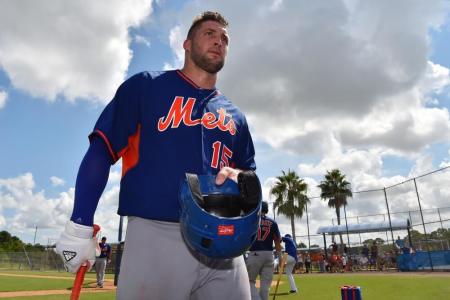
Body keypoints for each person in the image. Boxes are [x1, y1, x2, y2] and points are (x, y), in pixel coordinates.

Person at [56, 11, 260, 300]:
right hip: (158, 231)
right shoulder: (146, 86)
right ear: (187, 44)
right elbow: (102, 148)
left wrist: (242, 178)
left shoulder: (236, 115)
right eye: (209, 34)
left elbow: (249, 175)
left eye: (225, 39)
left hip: (225, 241)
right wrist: (80, 223)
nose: (219, 42)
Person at [246, 201, 282, 300]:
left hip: (255, 253)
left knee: (249, 281)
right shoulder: (273, 222)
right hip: (269, 254)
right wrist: (280, 258)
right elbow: (277, 242)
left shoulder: (251, 221)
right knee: (265, 286)